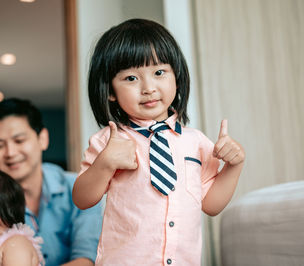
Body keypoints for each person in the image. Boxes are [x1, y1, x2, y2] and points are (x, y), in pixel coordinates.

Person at [72, 18, 245, 265]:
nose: (148, 88)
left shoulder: (195, 142)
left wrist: (233, 167)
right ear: (110, 91)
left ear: (176, 76)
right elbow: (81, 199)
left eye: (159, 73)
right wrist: (104, 164)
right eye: (131, 78)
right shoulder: (108, 143)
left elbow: (211, 205)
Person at [0, 98, 102, 266]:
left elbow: (87, 260)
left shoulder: (78, 188)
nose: (10, 152)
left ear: (43, 139)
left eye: (19, 141)